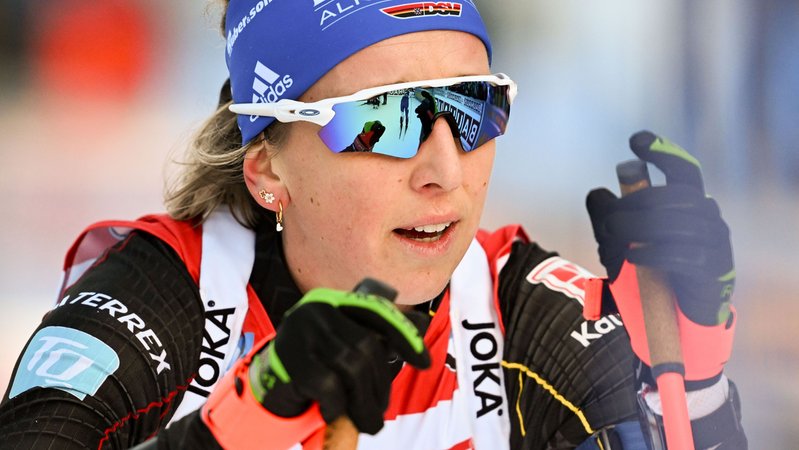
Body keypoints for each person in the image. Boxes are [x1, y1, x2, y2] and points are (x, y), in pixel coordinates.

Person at [0, 1, 747, 449]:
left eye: (471, 109)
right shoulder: (163, 298)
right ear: (266, 169)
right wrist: (243, 427)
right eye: (384, 121)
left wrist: (694, 393)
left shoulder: (522, 315)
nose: (443, 171)